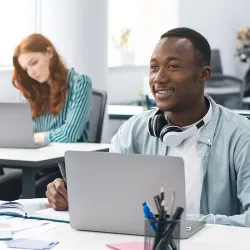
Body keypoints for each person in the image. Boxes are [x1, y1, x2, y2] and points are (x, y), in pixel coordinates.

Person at [46, 27, 250, 227]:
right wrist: (68, 195)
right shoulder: (135, 129)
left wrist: (187, 225)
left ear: (204, 74)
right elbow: (106, 195)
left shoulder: (241, 135)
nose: (159, 78)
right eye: (154, 67)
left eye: (172, 66)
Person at [0, 33, 92, 200]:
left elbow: (69, 135)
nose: (31, 72)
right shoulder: (34, 90)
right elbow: (24, 135)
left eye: (33, 63)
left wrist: (37, 136)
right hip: (38, 168)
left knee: (26, 197)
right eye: (26, 69)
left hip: (66, 170)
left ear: (49, 53)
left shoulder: (80, 82)